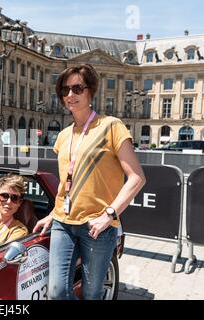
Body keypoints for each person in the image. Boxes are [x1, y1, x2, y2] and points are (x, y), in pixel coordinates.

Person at [33, 64, 146, 300]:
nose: (70, 95)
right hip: (63, 223)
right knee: (56, 292)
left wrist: (109, 215)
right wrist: (53, 213)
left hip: (97, 228)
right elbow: (67, 184)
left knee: (92, 294)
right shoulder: (63, 136)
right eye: (65, 90)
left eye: (77, 88)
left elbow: (137, 178)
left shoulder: (111, 126)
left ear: (90, 91)